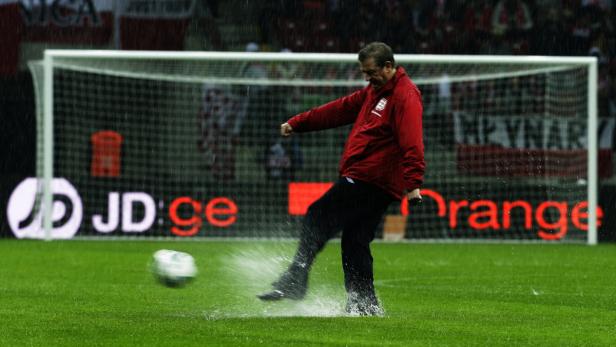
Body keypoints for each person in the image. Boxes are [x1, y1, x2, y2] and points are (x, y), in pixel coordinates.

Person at [257, 42, 425, 316]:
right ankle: (364, 305)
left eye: (371, 72)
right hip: (373, 179)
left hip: (371, 177)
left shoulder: (406, 96)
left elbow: (412, 141)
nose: (367, 77)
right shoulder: (375, 91)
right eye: (364, 72)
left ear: (388, 66)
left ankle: (295, 277)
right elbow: (339, 110)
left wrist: (413, 183)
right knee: (355, 240)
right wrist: (299, 122)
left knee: (317, 213)